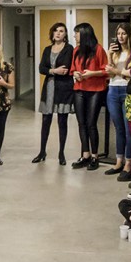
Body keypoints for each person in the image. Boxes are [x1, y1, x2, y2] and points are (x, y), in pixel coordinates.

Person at [69, 22, 109, 170]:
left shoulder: (98, 49)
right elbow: (73, 69)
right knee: (81, 123)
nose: (74, 36)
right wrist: (76, 74)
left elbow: (106, 71)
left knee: (91, 123)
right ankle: (85, 155)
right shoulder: (76, 50)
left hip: (96, 90)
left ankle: (94, 156)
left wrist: (92, 73)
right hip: (79, 88)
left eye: (76, 33)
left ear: (84, 33)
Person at [35, 22, 75, 165]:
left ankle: (61, 153)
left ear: (65, 35)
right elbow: (41, 68)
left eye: (61, 31)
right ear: (52, 33)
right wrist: (54, 71)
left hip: (63, 89)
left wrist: (52, 70)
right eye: (56, 31)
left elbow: (65, 68)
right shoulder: (47, 49)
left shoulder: (69, 49)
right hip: (49, 88)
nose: (58, 33)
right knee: (45, 121)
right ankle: (42, 151)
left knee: (62, 121)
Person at [104, 22, 131, 175]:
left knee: (129, 129)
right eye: (118, 34)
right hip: (113, 89)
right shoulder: (115, 53)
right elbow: (110, 74)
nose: (120, 37)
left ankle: (129, 162)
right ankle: (118, 161)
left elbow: (130, 73)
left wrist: (118, 71)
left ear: (129, 35)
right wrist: (109, 55)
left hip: (127, 90)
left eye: (123, 33)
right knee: (118, 128)